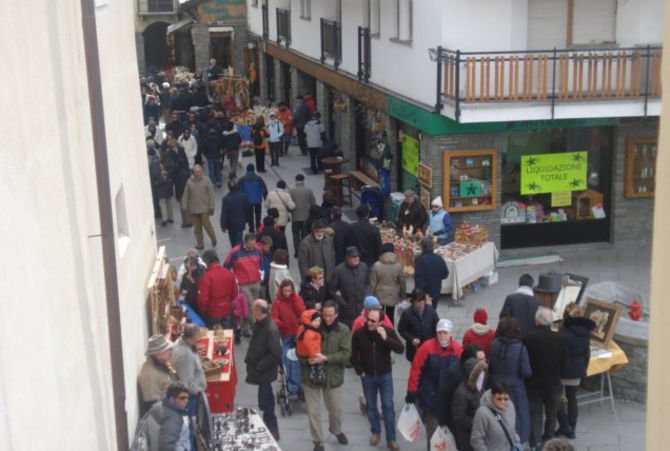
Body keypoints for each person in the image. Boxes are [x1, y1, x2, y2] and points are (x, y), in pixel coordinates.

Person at [299, 300, 351, 451]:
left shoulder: (343, 330)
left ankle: (336, 430)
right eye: (324, 315)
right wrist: (306, 360)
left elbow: (346, 353)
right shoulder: (311, 326)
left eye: (330, 315)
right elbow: (298, 351)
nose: (327, 318)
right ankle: (318, 442)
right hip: (311, 375)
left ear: (336, 315)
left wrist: (327, 358)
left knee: (335, 409)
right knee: (313, 411)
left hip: (332, 376)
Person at [350, 308, 404, 451]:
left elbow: (400, 349)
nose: (369, 322)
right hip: (367, 376)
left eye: (373, 321)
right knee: (372, 406)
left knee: (388, 406)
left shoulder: (388, 332)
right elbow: (353, 354)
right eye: (368, 319)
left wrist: (386, 338)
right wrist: (359, 370)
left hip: (385, 374)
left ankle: (391, 439)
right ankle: (375, 432)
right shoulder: (360, 333)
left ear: (381, 322)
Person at [405, 319, 463, 447]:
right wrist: (412, 391)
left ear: (451, 333)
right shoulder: (426, 348)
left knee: (449, 435)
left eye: (445, 333)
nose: (442, 335)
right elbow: (416, 370)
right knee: (432, 433)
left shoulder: (458, 351)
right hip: (431, 399)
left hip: (449, 402)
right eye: (440, 332)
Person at [523, 307, 568, 449]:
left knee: (535, 415)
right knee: (551, 413)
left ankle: (535, 442)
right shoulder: (561, 339)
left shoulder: (528, 339)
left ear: (537, 321)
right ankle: (549, 439)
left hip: (533, 385)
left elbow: (524, 361)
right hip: (553, 384)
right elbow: (565, 362)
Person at [488, 317, 532, 444]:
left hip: (495, 385)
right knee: (518, 417)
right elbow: (526, 371)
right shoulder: (520, 348)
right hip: (515, 388)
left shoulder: (494, 344)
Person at [556, 303, 596, 439]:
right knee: (572, 398)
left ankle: (563, 425)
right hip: (577, 369)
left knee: (560, 398)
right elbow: (587, 353)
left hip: (562, 371)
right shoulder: (586, 333)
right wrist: (583, 369)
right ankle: (572, 428)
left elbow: (559, 354)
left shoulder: (563, 333)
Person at [245, 299, 282, 440]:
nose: (251, 311)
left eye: (253, 308)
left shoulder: (270, 329)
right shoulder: (259, 325)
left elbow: (275, 353)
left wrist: (260, 366)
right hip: (259, 369)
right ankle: (269, 427)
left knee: (266, 401)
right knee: (264, 399)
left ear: (258, 311)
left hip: (264, 371)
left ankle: (272, 429)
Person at [436, 344, 487, 430]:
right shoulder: (454, 374)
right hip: (459, 423)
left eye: (485, 358)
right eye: (481, 359)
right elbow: (443, 398)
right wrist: (443, 423)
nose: (485, 361)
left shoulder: (482, 370)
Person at [451, 357, 489, 451]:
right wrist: (478, 423)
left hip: (479, 433)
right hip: (467, 437)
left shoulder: (480, 387)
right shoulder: (461, 393)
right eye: (479, 373)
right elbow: (459, 418)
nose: (482, 375)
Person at [471, 380, 521, 451]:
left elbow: (512, 429)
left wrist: (517, 443)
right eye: (499, 399)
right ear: (492, 397)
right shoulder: (482, 413)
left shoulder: (510, 406)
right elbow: (476, 439)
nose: (503, 402)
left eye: (505, 399)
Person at [329, 246, 370, 329]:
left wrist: (366, 298)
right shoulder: (338, 271)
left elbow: (367, 284)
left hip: (362, 309)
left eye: (357, 256)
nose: (356, 258)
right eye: (353, 257)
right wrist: (343, 302)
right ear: (347, 258)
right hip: (346, 313)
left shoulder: (364, 267)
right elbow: (332, 290)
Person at [197, 249, 239, 329]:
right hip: (227, 310)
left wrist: (203, 311)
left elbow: (203, 299)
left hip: (213, 312)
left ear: (206, 262)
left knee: (214, 336)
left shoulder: (206, 277)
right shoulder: (229, 274)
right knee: (226, 334)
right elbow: (235, 293)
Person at [145, 382, 192, 451]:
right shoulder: (173, 419)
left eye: (187, 398)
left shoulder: (156, 406)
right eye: (182, 398)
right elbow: (166, 447)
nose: (186, 401)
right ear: (172, 398)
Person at [172, 324, 206, 418]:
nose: (199, 339)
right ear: (193, 337)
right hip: (191, 398)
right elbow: (187, 383)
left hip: (189, 395)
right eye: (198, 336)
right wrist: (200, 393)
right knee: (193, 424)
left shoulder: (179, 342)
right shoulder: (186, 356)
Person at [397, 288, 439, 362]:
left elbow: (437, 327)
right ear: (413, 301)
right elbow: (402, 330)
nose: (420, 304)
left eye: (422, 302)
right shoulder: (407, 314)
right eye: (417, 302)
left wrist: (434, 341)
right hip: (414, 350)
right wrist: (411, 339)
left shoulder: (431, 310)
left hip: (430, 348)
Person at [181, 164, 216, 250]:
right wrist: (184, 206)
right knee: (197, 229)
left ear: (202, 171)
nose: (198, 173)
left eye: (200, 171)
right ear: (193, 173)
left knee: (207, 225)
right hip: (193, 209)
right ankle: (200, 244)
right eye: (196, 172)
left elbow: (211, 194)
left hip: (204, 208)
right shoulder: (189, 181)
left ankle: (213, 238)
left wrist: (212, 206)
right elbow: (186, 195)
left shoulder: (207, 180)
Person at [138, 335, 176, 415]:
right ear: (158, 353)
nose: (171, 353)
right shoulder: (150, 373)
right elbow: (152, 406)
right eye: (168, 350)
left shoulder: (160, 364)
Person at [370, 242, 406, 325]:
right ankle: (390, 331)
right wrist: (403, 297)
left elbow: (373, 283)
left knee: (379, 316)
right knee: (390, 315)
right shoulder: (398, 266)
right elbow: (402, 284)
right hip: (393, 295)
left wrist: (371, 297)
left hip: (379, 295)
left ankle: (379, 331)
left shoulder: (376, 265)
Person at [499, 273, 541, 338]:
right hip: (531, 340)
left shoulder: (510, 298)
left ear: (519, 284)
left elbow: (503, 318)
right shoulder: (537, 302)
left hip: (513, 339)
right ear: (531, 286)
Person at [414, 237, 448, 308]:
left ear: (422, 248)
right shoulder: (439, 258)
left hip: (424, 293)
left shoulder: (420, 260)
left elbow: (418, 279)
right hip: (436, 289)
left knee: (423, 313)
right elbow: (445, 274)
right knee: (433, 310)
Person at [297, 309, 327, 388]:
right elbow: (310, 345)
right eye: (315, 321)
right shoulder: (310, 332)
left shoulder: (306, 328)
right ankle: (317, 379)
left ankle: (315, 379)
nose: (317, 323)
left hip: (308, 354)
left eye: (319, 321)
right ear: (309, 320)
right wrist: (316, 356)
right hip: (312, 355)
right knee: (316, 368)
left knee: (314, 369)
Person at [289, 173, 316, 257]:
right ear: (303, 181)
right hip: (306, 217)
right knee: (305, 235)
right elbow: (313, 203)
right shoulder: (309, 190)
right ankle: (305, 252)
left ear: (296, 181)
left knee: (296, 235)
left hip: (295, 217)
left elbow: (289, 204)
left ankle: (297, 252)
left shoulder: (291, 191)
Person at [219, 180, 250, 248]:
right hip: (240, 223)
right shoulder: (243, 197)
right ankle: (238, 252)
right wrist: (247, 219)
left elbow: (224, 213)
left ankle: (234, 251)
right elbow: (247, 210)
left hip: (230, 224)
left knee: (232, 240)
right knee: (239, 240)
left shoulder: (226, 199)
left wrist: (223, 225)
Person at [238, 164, 268, 232]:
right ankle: (258, 226)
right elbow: (264, 189)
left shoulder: (242, 179)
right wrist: (266, 198)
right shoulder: (258, 178)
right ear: (254, 169)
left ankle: (251, 228)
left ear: (247, 170)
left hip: (248, 201)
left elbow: (239, 190)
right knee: (258, 213)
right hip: (257, 200)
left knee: (250, 215)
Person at [200, 116, 223, 187]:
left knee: (211, 170)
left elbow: (204, 150)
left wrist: (206, 155)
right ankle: (219, 181)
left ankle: (212, 182)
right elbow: (220, 147)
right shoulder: (218, 140)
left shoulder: (206, 141)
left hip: (210, 157)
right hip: (217, 156)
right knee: (218, 169)